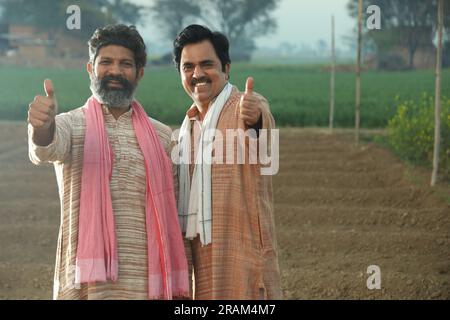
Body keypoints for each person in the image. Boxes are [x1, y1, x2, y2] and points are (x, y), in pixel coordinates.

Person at [27, 24, 189, 300]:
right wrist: (42, 125)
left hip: (146, 285)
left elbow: (176, 212)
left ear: (139, 73)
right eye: (106, 62)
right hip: (87, 287)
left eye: (125, 63)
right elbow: (45, 148)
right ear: (90, 69)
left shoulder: (163, 136)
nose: (115, 71)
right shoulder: (70, 124)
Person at [173, 24, 282, 299]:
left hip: (244, 269)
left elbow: (261, 126)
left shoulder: (242, 108)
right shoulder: (187, 128)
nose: (197, 74)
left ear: (226, 68)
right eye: (188, 67)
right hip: (202, 272)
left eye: (207, 64)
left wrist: (255, 115)